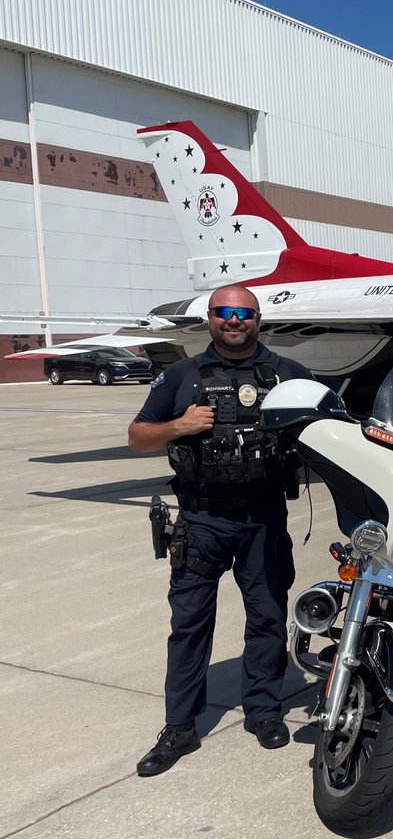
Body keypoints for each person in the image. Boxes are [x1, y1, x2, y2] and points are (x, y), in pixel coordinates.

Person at [128, 284, 314, 776]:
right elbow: (137, 437)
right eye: (225, 313)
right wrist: (178, 427)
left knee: (268, 617)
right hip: (201, 519)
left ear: (259, 319)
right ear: (210, 318)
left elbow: (328, 429)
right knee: (188, 625)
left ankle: (264, 711)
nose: (235, 321)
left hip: (264, 517)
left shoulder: (289, 374)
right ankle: (180, 727)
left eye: (245, 313)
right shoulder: (180, 376)